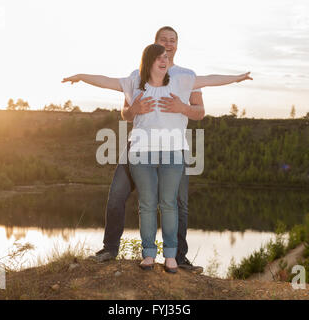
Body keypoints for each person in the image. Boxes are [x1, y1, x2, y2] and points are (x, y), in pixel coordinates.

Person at [62, 43, 252, 272]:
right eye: (160, 57)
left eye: (167, 56)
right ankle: (148, 254)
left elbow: (210, 79)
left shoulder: (181, 80)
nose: (165, 60)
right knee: (147, 205)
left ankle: (171, 257)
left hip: (172, 152)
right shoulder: (133, 82)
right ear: (149, 60)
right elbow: (106, 81)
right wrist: (82, 76)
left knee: (169, 204)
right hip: (141, 152)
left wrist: (236, 78)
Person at [91, 26, 206, 273]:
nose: (168, 44)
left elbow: (199, 112)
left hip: (172, 147)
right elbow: (125, 112)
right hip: (139, 145)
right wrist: (134, 111)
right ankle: (110, 249)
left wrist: (181, 107)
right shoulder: (138, 75)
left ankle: (179, 258)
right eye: (163, 40)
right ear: (154, 44)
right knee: (116, 196)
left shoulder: (186, 77)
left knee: (178, 203)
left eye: (172, 40)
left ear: (177, 45)